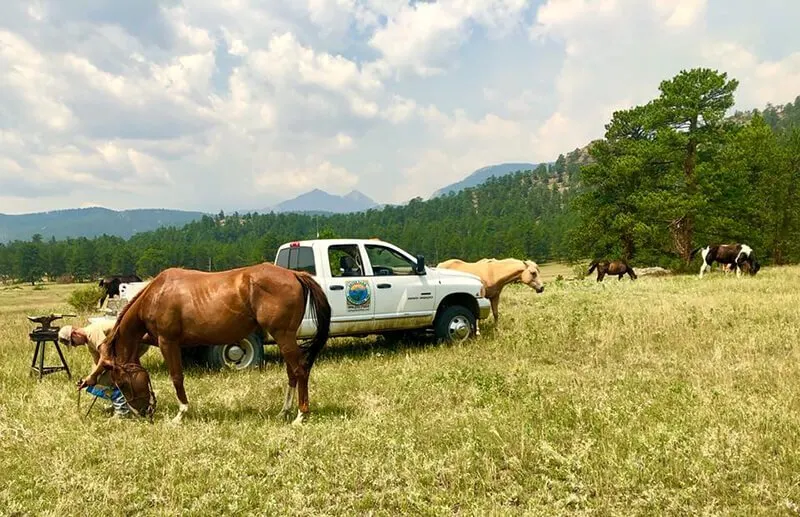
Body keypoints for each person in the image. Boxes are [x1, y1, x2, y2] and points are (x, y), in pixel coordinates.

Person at [58, 319, 150, 417]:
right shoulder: (90, 343)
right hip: (126, 345)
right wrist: (88, 378)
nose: (75, 346)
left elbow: (106, 359)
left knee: (110, 377)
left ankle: (123, 410)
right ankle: (121, 403)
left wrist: (94, 377)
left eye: (73, 343)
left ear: (75, 334)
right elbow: (97, 363)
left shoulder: (92, 332)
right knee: (101, 379)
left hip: (135, 342)